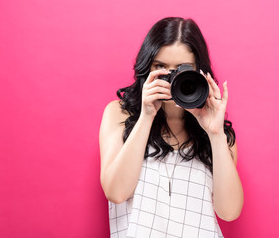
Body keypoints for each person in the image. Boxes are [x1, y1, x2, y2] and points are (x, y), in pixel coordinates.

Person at [99, 17, 244, 238]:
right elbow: (116, 192)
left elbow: (229, 212)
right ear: (147, 65)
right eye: (160, 66)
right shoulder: (119, 114)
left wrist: (215, 134)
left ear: (199, 72)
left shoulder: (216, 133)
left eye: (183, 69)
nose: (171, 77)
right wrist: (147, 116)